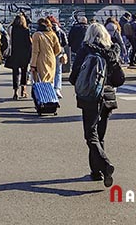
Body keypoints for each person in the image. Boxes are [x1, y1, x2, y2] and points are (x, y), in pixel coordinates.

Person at [69, 22, 125, 187]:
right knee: (100, 135)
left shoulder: (85, 50)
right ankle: (97, 172)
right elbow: (119, 79)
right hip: (107, 97)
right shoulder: (112, 52)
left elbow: (73, 77)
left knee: (90, 135)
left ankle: (104, 165)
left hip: (90, 97)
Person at [6, 14, 32, 99]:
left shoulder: (12, 29)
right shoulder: (26, 30)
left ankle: (15, 91)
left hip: (14, 54)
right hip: (24, 54)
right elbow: (29, 44)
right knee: (24, 72)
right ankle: (23, 90)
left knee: (15, 73)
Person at [30, 17, 62, 86]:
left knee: (42, 79)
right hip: (51, 58)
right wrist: (52, 54)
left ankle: (43, 95)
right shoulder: (53, 34)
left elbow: (35, 51)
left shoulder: (36, 35)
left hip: (40, 59)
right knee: (50, 79)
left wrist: (33, 64)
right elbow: (58, 49)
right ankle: (50, 94)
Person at [49, 16, 69, 98]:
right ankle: (57, 89)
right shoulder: (60, 31)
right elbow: (65, 42)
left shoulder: (48, 31)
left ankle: (51, 87)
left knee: (50, 71)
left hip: (50, 52)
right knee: (58, 71)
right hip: (59, 52)